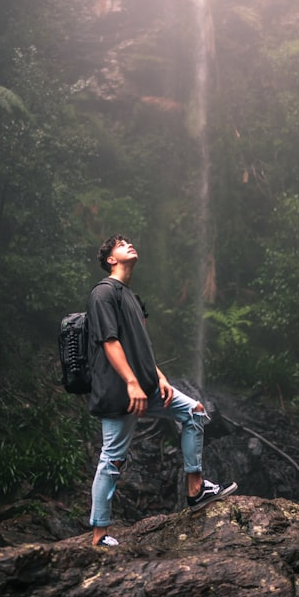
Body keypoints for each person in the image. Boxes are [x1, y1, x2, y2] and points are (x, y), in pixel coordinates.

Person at [87, 234, 238, 547]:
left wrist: (160, 378)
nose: (129, 245)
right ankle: (99, 535)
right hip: (119, 390)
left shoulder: (131, 297)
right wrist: (130, 382)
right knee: (112, 458)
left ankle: (196, 489)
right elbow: (109, 342)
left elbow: (141, 346)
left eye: (129, 241)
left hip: (149, 386)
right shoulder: (103, 293)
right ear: (111, 259)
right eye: (120, 244)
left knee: (194, 411)